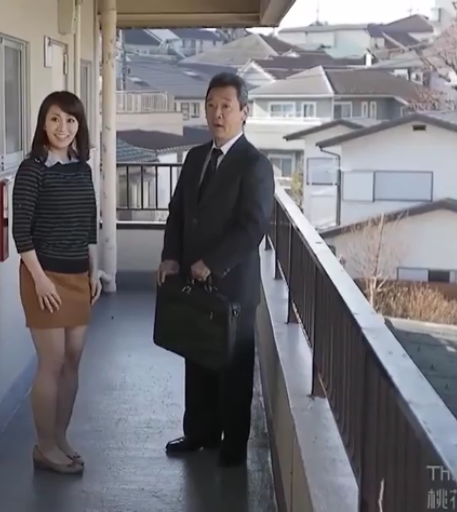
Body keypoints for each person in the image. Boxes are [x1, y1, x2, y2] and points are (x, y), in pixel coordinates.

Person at [157, 72, 275, 468]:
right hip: (194, 281)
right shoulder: (196, 157)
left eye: (226, 106)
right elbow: (178, 212)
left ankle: (233, 447)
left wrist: (214, 263)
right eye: (210, 106)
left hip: (233, 285)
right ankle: (199, 434)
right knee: (198, 359)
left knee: (234, 366)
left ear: (244, 112)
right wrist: (170, 256)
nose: (217, 114)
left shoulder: (255, 164)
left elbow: (252, 227)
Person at [12, 91, 101, 475]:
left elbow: (88, 224)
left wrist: (93, 270)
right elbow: (21, 232)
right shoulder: (32, 169)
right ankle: (44, 446)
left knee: (73, 360)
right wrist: (41, 280)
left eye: (70, 120)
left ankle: (61, 438)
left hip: (78, 273)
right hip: (42, 277)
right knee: (52, 361)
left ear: (79, 126)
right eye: (54, 119)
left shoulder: (81, 169)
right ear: (43, 124)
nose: (62, 128)